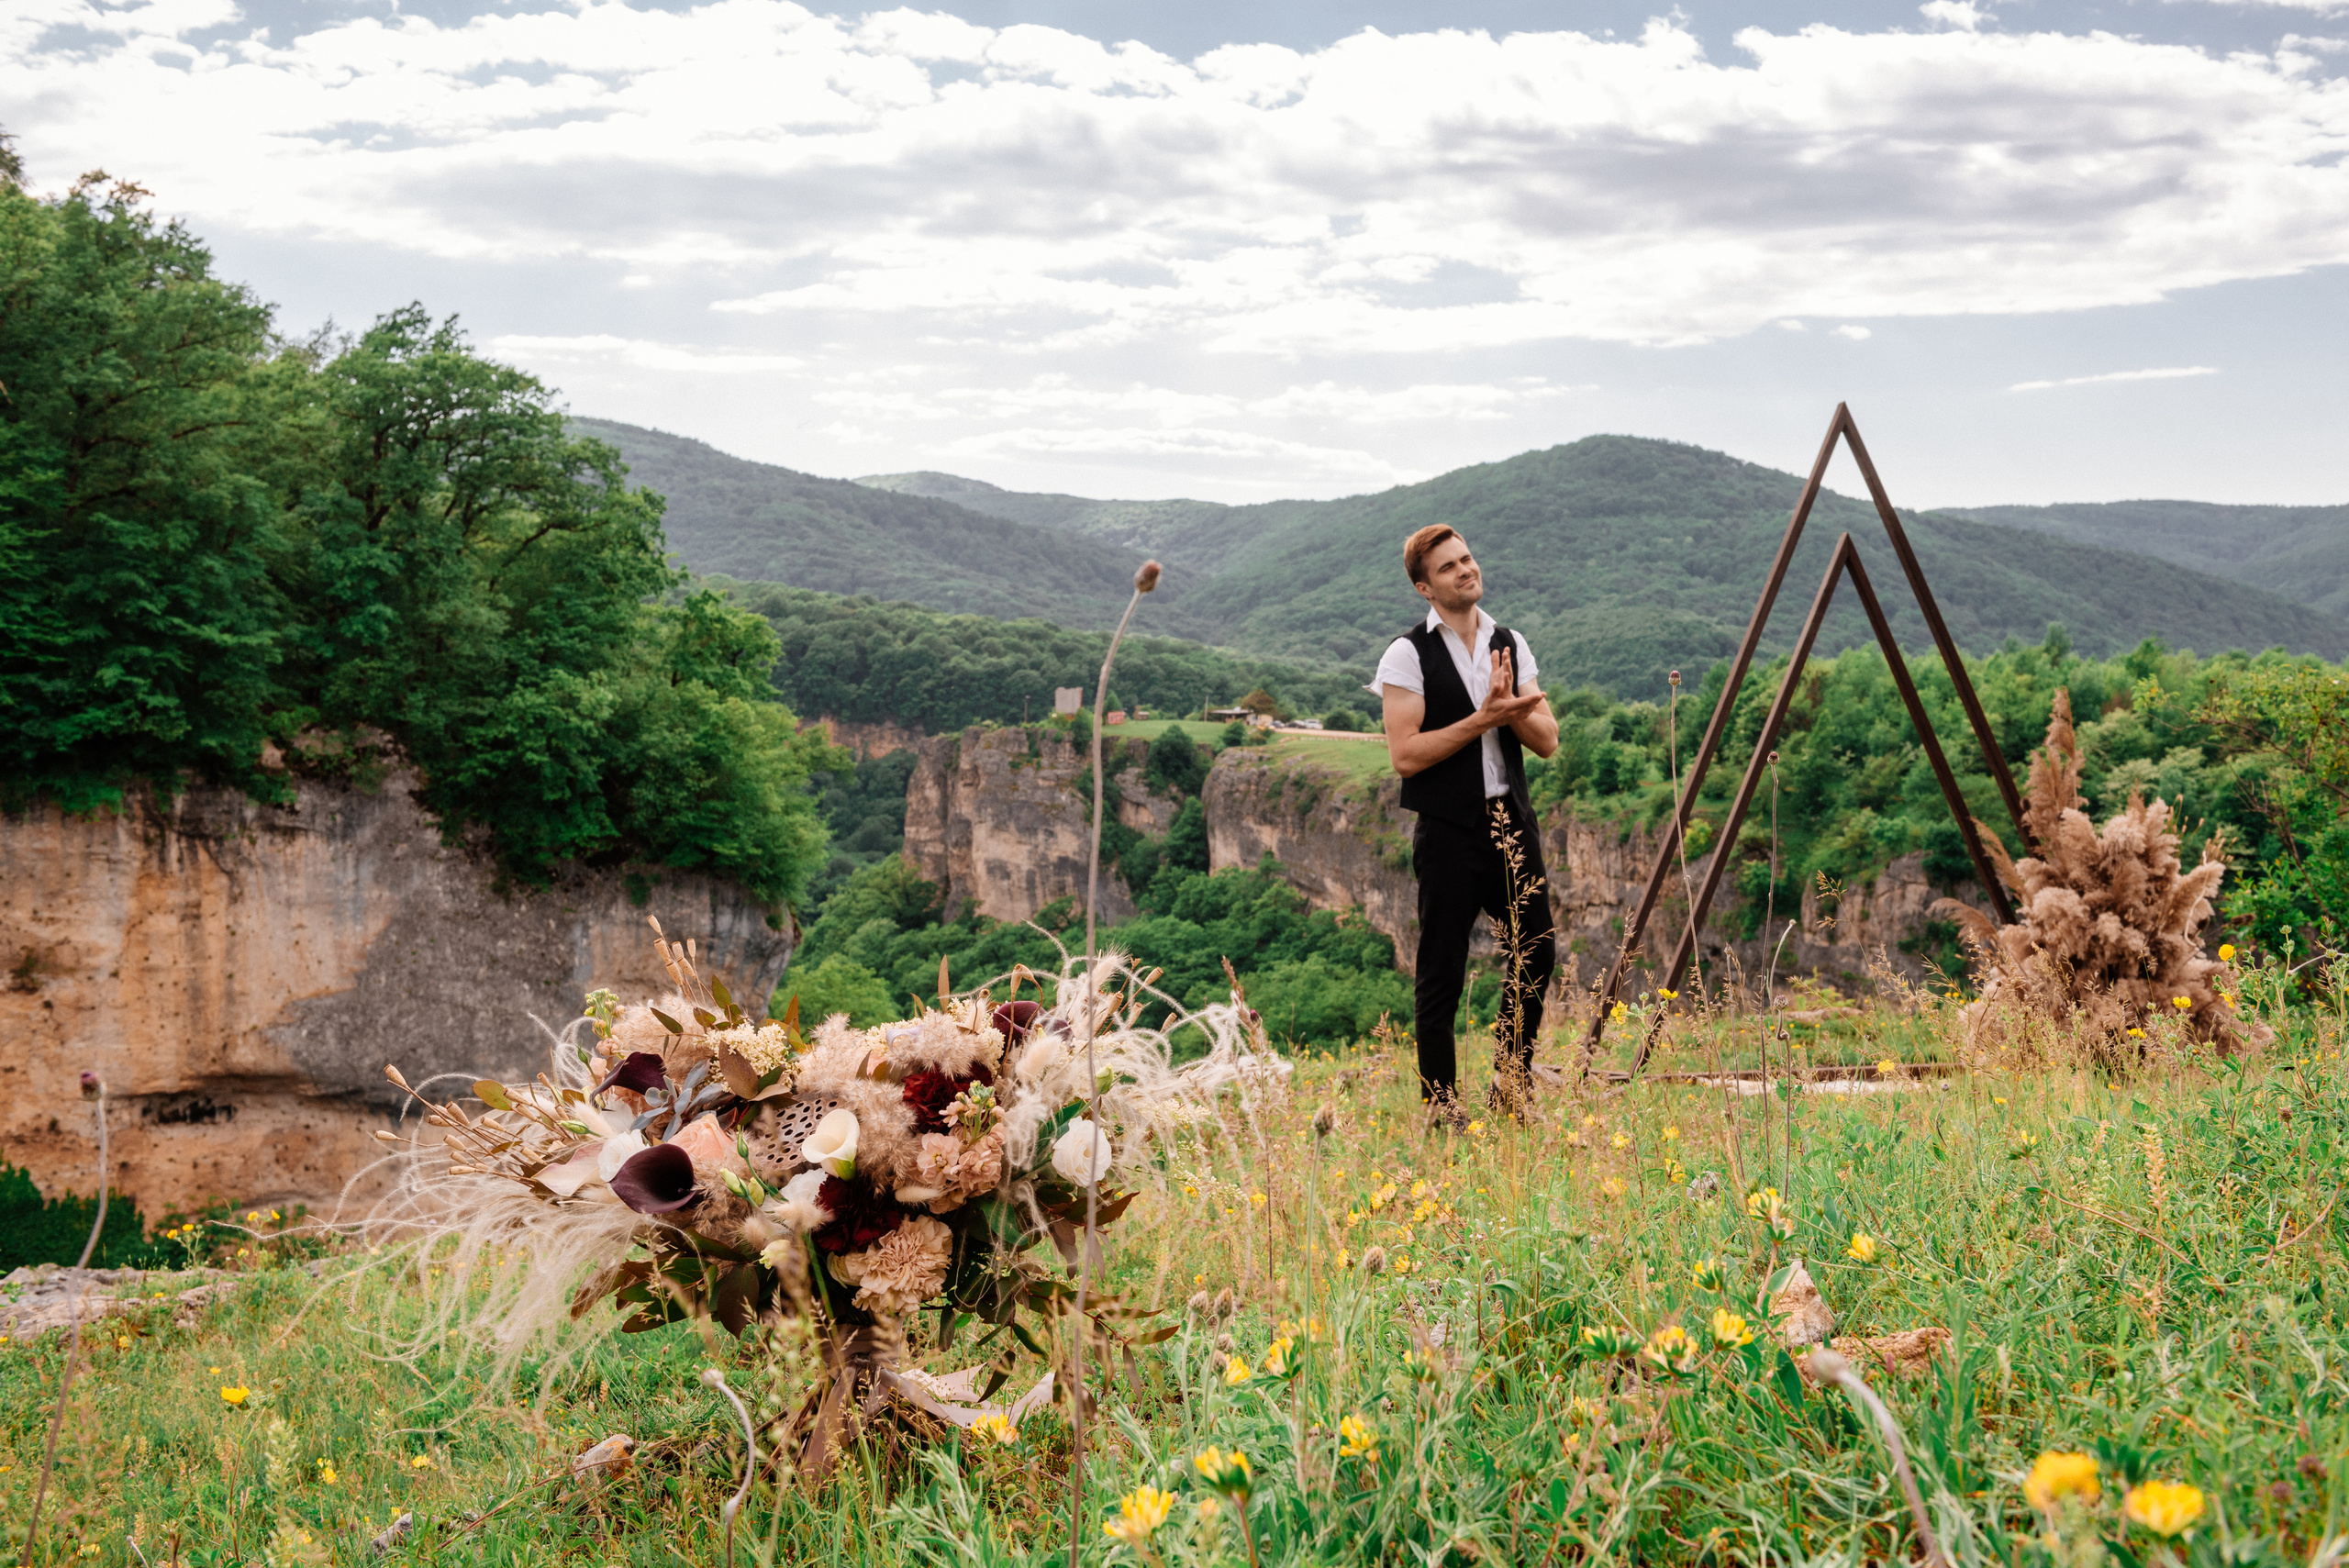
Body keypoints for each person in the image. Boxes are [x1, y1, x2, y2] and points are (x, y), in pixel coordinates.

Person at [1373, 525, 1560, 1128]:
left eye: (1468, 558)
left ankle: (1511, 1085)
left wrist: (1511, 714)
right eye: (1449, 567)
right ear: (1426, 587)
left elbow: (1549, 740)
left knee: (1538, 947)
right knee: (1442, 971)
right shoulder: (1407, 654)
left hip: (1510, 818)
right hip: (1448, 827)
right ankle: (1442, 1108)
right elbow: (1406, 755)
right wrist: (1483, 719)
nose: (1465, 570)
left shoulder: (1510, 641)